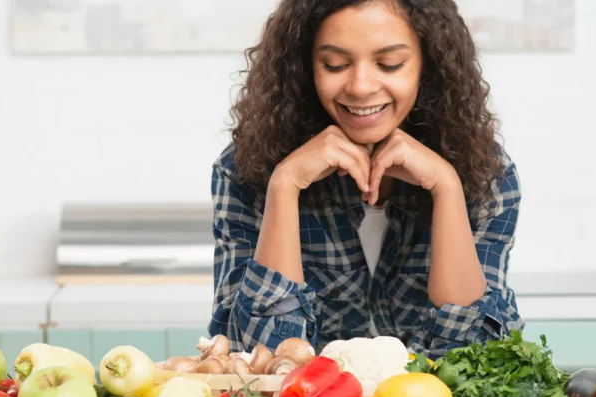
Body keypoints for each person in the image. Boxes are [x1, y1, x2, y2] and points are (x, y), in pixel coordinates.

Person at [209, 0, 524, 359]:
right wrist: (284, 186)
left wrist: (446, 188)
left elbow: (480, 362)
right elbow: (250, 358)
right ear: (304, 67)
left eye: (389, 64)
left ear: (428, 65)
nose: (360, 86)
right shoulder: (245, 170)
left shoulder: (486, 175)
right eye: (335, 65)